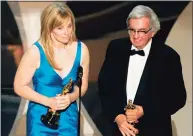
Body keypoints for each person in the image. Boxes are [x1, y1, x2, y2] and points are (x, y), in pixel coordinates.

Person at [98, 5, 186, 136]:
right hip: (120, 130)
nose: (136, 36)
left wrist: (144, 110)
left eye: (142, 31)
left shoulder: (168, 56)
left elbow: (177, 98)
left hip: (155, 130)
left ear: (153, 31)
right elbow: (104, 88)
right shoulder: (115, 48)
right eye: (132, 30)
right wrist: (117, 116)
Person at [14, 2, 90, 136]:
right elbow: (19, 86)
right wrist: (47, 101)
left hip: (69, 119)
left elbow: (82, 87)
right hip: (40, 119)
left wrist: (71, 97)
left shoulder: (81, 50)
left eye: (69, 26)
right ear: (49, 28)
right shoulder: (35, 52)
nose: (67, 32)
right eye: (60, 28)